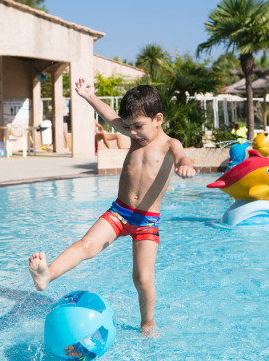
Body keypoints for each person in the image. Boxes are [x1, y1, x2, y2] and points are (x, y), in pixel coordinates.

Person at [29, 78, 196, 334]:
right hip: (119, 212)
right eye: (128, 127)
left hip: (146, 221)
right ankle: (47, 274)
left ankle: (147, 321)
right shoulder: (134, 137)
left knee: (142, 278)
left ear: (158, 119)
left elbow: (181, 153)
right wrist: (89, 96)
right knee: (86, 245)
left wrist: (185, 163)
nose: (133, 133)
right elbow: (109, 116)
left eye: (138, 126)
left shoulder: (168, 144)